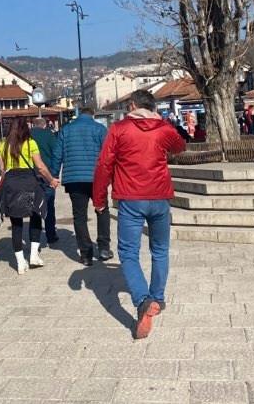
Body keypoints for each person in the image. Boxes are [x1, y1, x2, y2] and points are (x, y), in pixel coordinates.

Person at [93, 89, 186, 339]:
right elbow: (180, 146)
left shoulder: (119, 129)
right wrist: (163, 122)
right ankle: (157, 297)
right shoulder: (162, 129)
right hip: (159, 198)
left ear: (132, 105)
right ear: (152, 107)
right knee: (160, 250)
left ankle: (142, 299)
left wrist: (99, 198)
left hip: (131, 199)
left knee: (128, 253)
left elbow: (104, 164)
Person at [0, 117, 60, 274]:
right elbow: (40, 166)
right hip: (28, 183)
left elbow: (2, 170)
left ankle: (20, 263)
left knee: (16, 223)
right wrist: (51, 180)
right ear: (26, 128)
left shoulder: (3, 146)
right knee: (36, 215)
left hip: (11, 184)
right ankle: (33, 255)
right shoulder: (30, 143)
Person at [50, 107, 110, 265]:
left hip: (74, 178)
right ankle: (103, 248)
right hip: (97, 178)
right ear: (93, 115)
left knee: (79, 216)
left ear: (78, 115)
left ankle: (86, 254)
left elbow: (57, 154)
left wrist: (54, 175)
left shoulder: (66, 130)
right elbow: (108, 154)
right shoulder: (100, 129)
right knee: (102, 210)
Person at [30, 117, 59, 245]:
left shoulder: (27, 136)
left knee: (34, 206)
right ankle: (51, 235)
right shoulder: (49, 135)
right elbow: (56, 153)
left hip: (31, 175)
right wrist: (54, 174)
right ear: (44, 125)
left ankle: (34, 237)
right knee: (49, 205)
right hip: (47, 175)